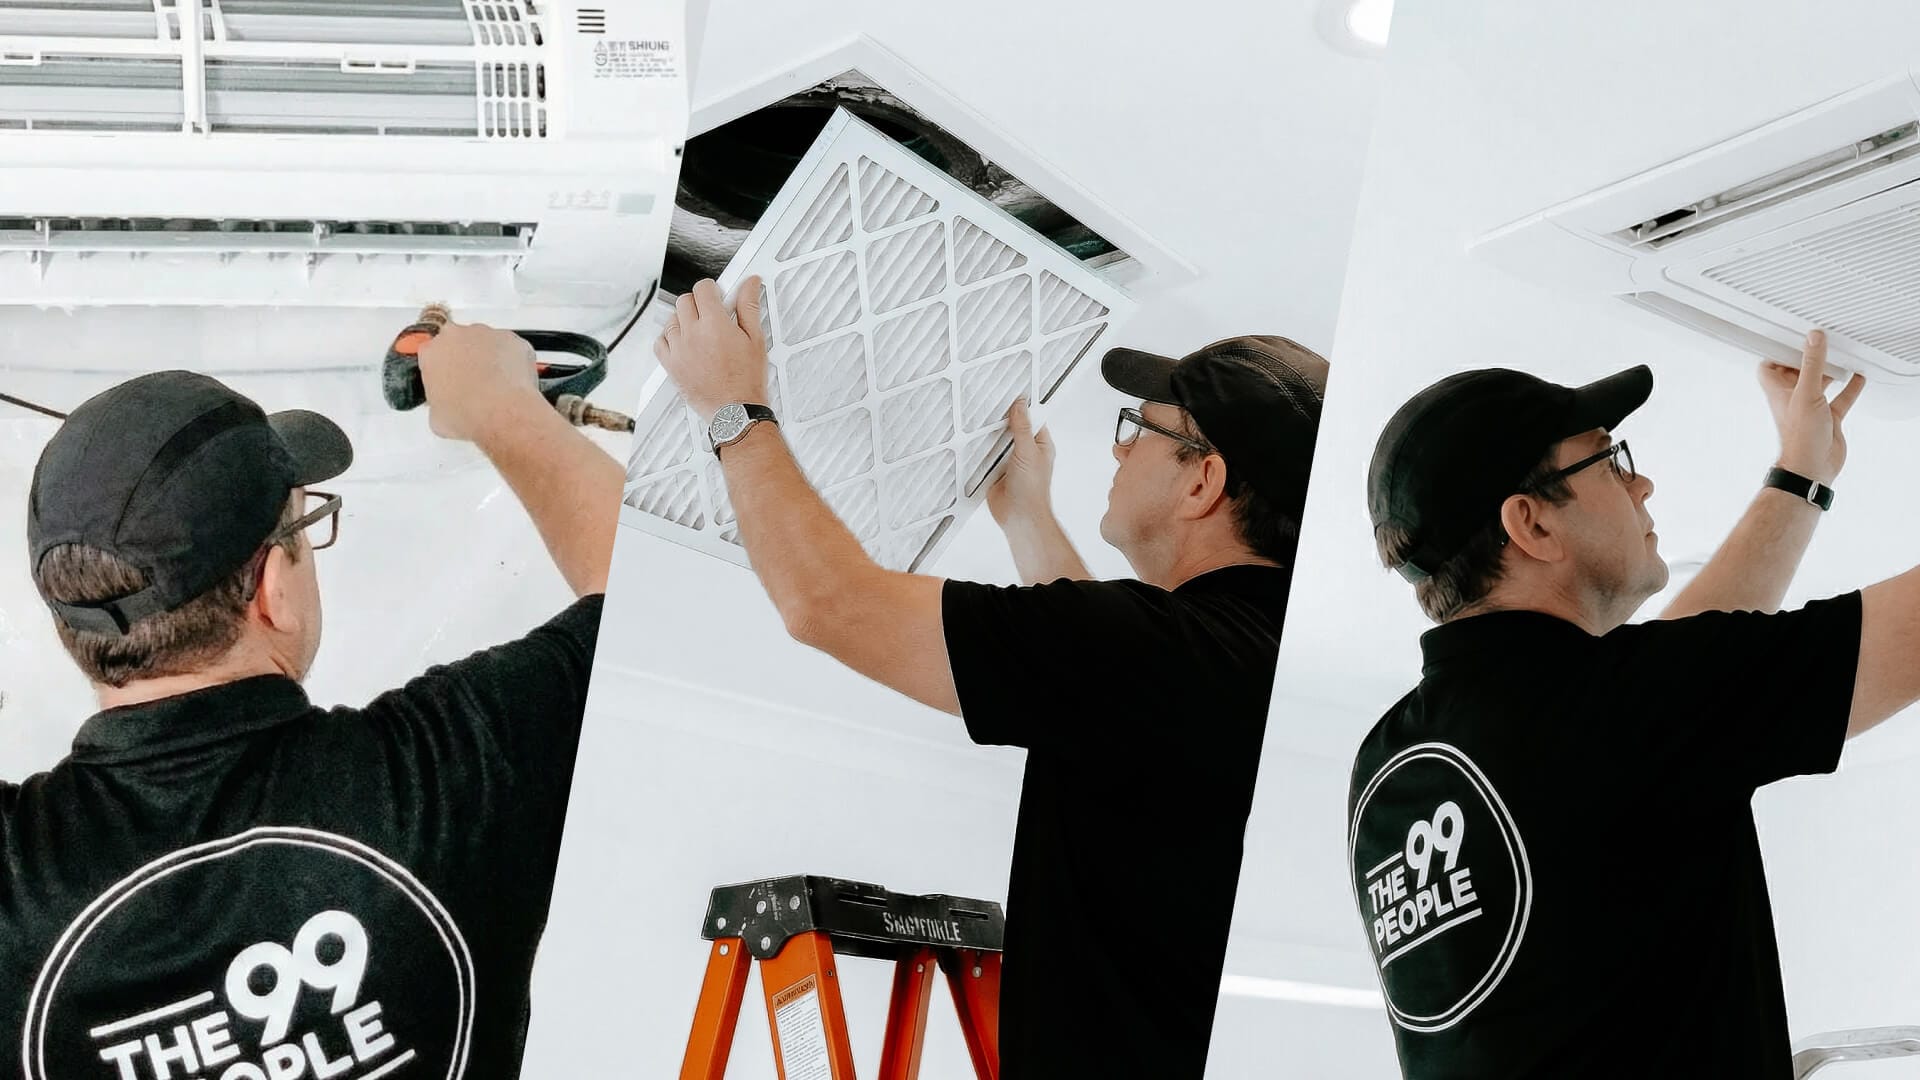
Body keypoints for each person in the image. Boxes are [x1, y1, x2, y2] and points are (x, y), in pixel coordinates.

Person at [654, 277, 1328, 1078]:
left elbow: (828, 603)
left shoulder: (1158, 651)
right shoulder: (1257, 659)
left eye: (1139, 429)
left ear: (1201, 482)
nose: (1119, 447)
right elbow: (1104, 680)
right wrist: (1030, 519)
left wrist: (731, 407)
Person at [3, 323, 621, 1080]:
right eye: (306, 524)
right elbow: (653, 594)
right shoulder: (452, 775)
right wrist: (499, 404)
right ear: (272, 590)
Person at [1348, 330, 1920, 1078]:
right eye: (1610, 461)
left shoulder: (1392, 757)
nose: (1640, 484)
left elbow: (1666, 698)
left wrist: (1802, 473)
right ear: (1533, 523)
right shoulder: (1626, 707)